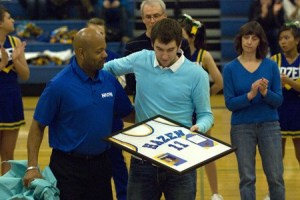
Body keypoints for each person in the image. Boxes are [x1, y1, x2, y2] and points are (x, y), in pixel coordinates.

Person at [104, 18, 214, 200]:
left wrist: (200, 127)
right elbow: (107, 69)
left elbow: (205, 115)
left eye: (170, 50)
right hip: (143, 160)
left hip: (181, 160)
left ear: (179, 45)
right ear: (152, 44)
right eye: (159, 49)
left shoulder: (197, 74)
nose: (164, 56)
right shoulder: (141, 58)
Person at [23, 28, 134, 200]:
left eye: (104, 49)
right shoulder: (58, 85)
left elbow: (128, 114)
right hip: (67, 169)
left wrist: (164, 119)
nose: (105, 55)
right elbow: (38, 126)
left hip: (101, 165)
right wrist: (32, 167)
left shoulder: (109, 80)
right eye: (99, 51)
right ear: (81, 53)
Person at [222, 21, 285, 200]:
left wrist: (265, 92)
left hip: (270, 126)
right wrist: (250, 95)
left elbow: (278, 100)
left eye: (254, 38)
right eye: (246, 37)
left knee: (276, 177)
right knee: (247, 179)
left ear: (260, 42)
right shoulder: (230, 69)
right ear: (240, 40)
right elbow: (230, 104)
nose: (249, 41)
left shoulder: (271, 66)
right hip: (241, 127)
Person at [180, 14, 223, 200]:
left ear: (191, 36)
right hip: (180, 111)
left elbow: (219, 82)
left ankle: (215, 193)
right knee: (182, 151)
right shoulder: (176, 54)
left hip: (199, 114)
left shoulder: (203, 55)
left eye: (181, 33)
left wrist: (203, 99)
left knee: (207, 152)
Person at [87, 17, 128, 200]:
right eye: (93, 34)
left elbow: (121, 88)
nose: (98, 37)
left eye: (101, 34)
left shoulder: (115, 59)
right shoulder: (77, 60)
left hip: (113, 122)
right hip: (89, 125)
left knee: (117, 165)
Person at [123, 0, 191, 96]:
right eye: (148, 17)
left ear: (165, 16)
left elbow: (187, 76)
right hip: (146, 102)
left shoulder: (181, 43)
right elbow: (131, 84)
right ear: (142, 18)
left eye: (156, 16)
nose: (152, 21)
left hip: (176, 99)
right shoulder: (132, 45)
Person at [0, 5, 30, 175]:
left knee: (7, 155)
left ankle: (3, 191)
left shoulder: (15, 42)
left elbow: (25, 75)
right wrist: (2, 64)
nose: (13, 20)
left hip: (11, 98)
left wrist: (17, 60)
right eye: (9, 18)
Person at [271, 21, 300, 166]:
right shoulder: (274, 60)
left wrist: (287, 80)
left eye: (287, 38)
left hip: (297, 110)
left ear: (297, 40)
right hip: (279, 111)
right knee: (277, 154)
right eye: (281, 39)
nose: (283, 41)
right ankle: (275, 188)